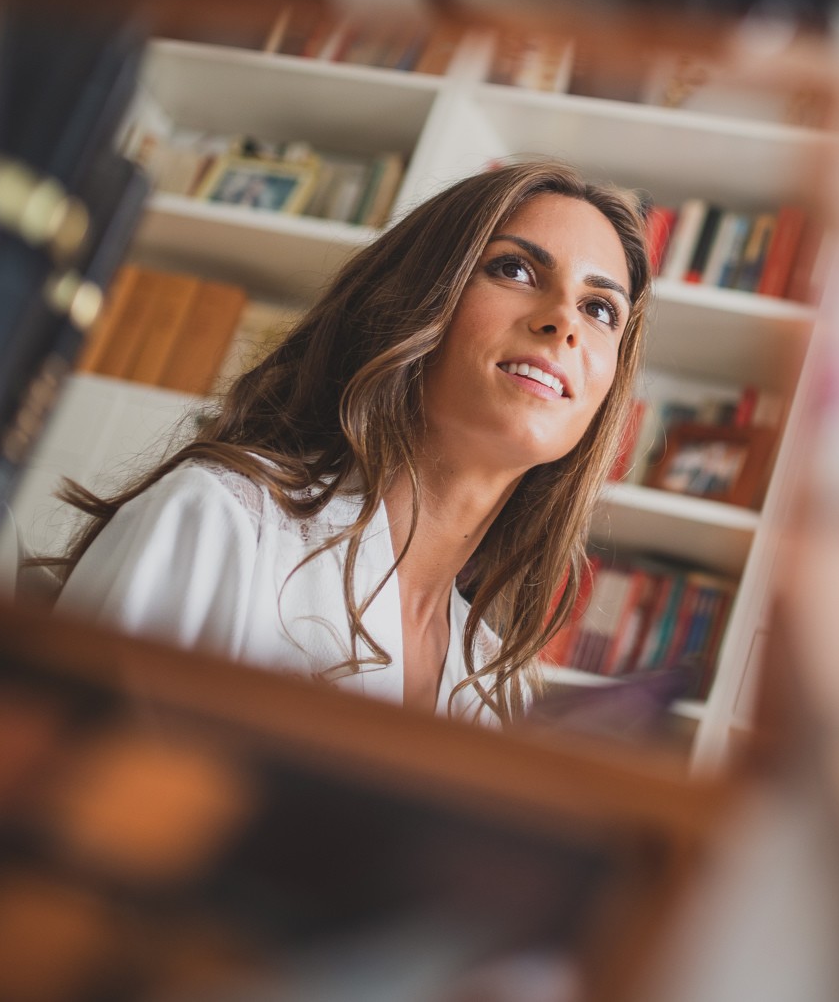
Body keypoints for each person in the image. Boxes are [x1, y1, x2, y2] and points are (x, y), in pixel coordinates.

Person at [47, 161, 649, 725]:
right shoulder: (220, 523)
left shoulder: (497, 688)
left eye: (600, 309)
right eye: (514, 270)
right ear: (415, 300)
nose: (564, 322)